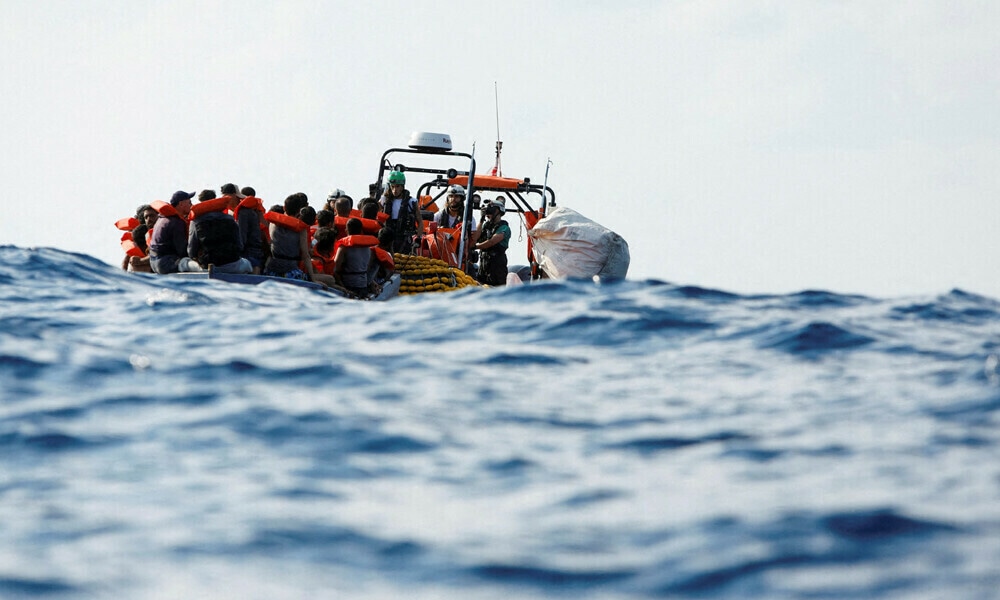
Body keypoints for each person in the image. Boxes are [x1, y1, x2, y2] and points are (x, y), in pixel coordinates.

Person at [187, 190, 252, 274]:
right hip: (233, 264)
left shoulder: (195, 221)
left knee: (184, 262)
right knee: (247, 263)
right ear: (214, 199)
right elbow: (240, 246)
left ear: (201, 202)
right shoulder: (230, 219)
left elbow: (191, 251)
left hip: (208, 266)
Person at [149, 190, 199, 274]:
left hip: (154, 262)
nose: (191, 205)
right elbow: (182, 250)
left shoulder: (162, 218)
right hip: (166, 263)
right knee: (194, 266)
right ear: (181, 204)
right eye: (189, 202)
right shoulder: (176, 222)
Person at [334, 218, 379, 297]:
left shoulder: (343, 247)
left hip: (348, 286)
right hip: (363, 286)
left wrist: (343, 288)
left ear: (346, 231)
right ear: (361, 231)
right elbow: (367, 268)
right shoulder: (368, 248)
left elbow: (335, 269)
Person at [379, 170, 421, 254]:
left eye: (397, 186)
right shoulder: (384, 200)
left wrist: (418, 238)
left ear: (402, 187)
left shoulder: (411, 202)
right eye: (392, 186)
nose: (395, 190)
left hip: (404, 239)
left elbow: (420, 221)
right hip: (387, 238)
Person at [474, 198, 511, 285]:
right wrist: (481, 220)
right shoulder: (486, 226)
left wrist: (475, 247)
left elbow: (491, 242)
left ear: (498, 211)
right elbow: (475, 237)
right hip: (483, 264)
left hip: (497, 266)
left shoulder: (504, 228)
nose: (488, 214)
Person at [233, 186, 267, 274]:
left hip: (247, 253)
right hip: (257, 252)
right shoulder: (256, 212)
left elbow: (242, 235)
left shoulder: (243, 212)